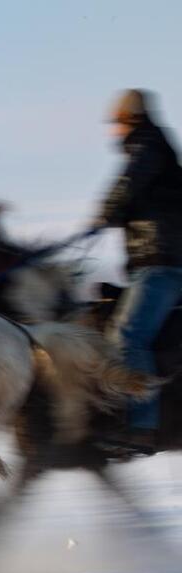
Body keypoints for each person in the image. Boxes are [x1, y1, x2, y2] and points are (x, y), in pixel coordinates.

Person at [92, 89, 182, 454]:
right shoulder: (155, 150)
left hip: (164, 264)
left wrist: (106, 213)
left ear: (128, 120)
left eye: (115, 123)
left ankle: (141, 427)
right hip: (157, 262)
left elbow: (127, 186)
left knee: (128, 334)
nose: (112, 131)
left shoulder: (148, 146)